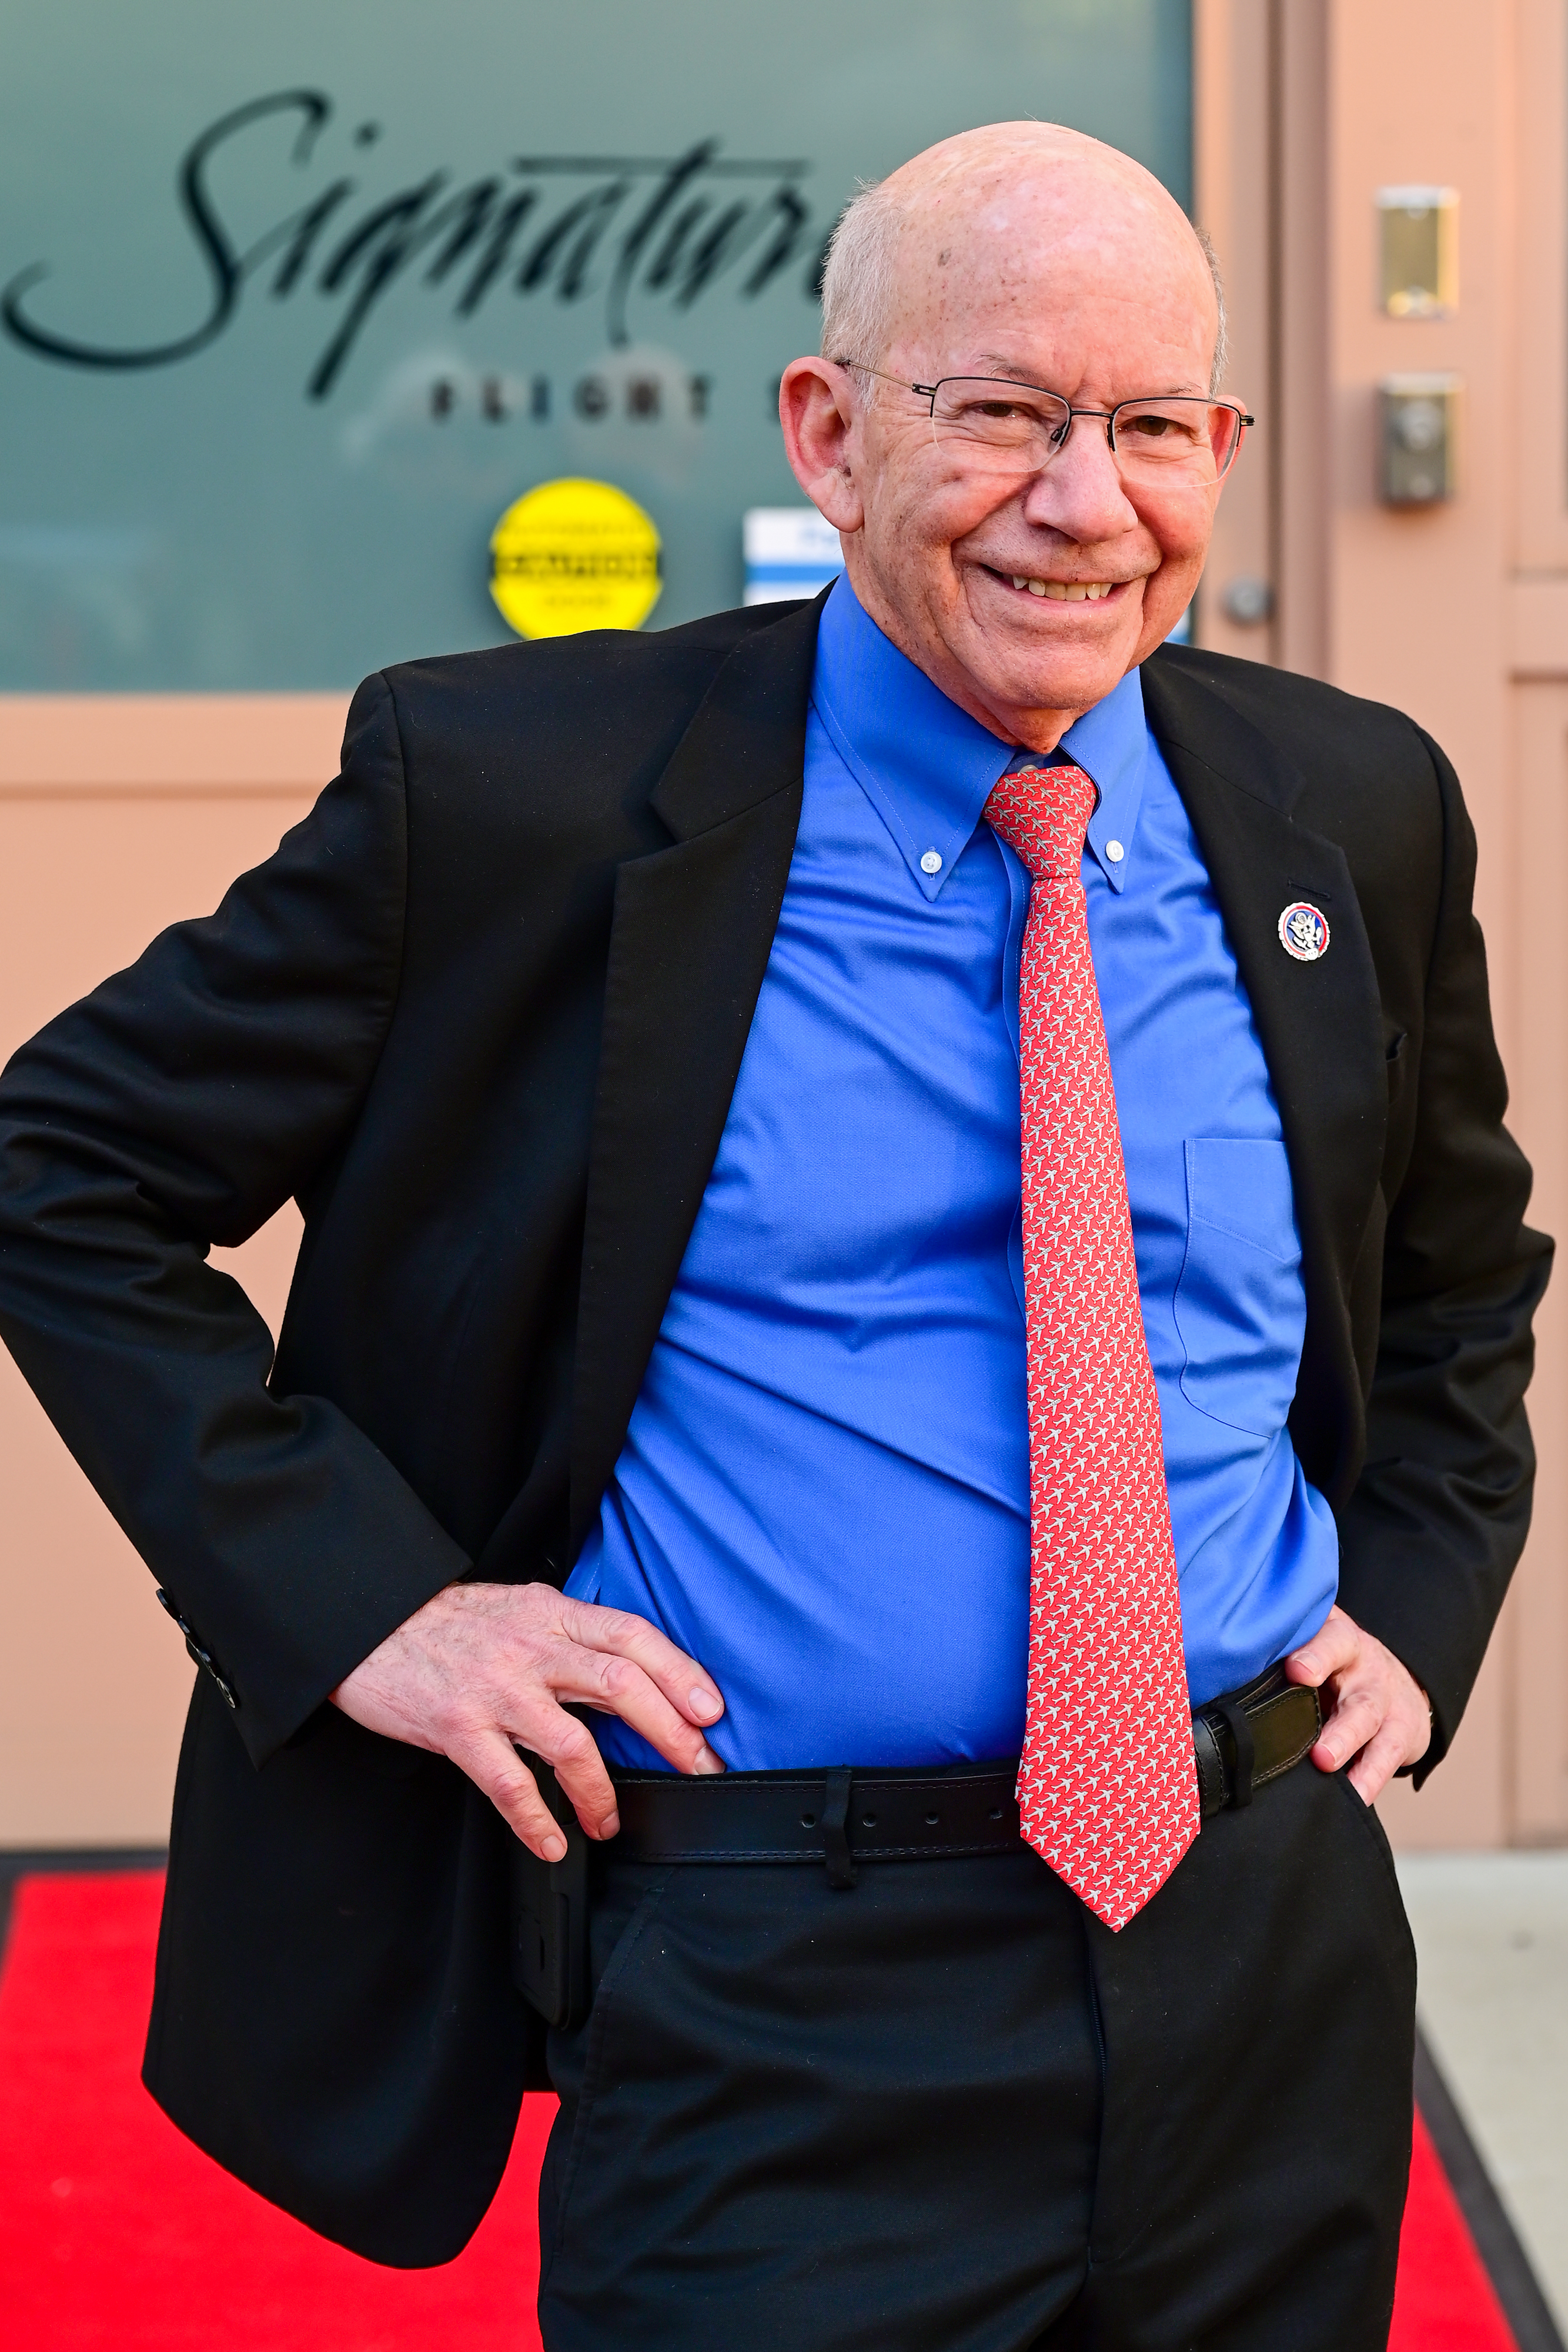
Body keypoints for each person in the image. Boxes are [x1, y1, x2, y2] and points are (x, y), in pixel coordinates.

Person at [0, 121, 1549, 2351]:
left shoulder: (1350, 803)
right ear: (830, 433)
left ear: (1219, 451)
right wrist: (371, 1610)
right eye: (1001, 413)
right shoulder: (521, 797)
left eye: (1145, 430)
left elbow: (1454, 1273)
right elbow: (63, 1170)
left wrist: (1413, 1588)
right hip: (779, 1985)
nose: (1082, 502)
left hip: (1260, 1956)